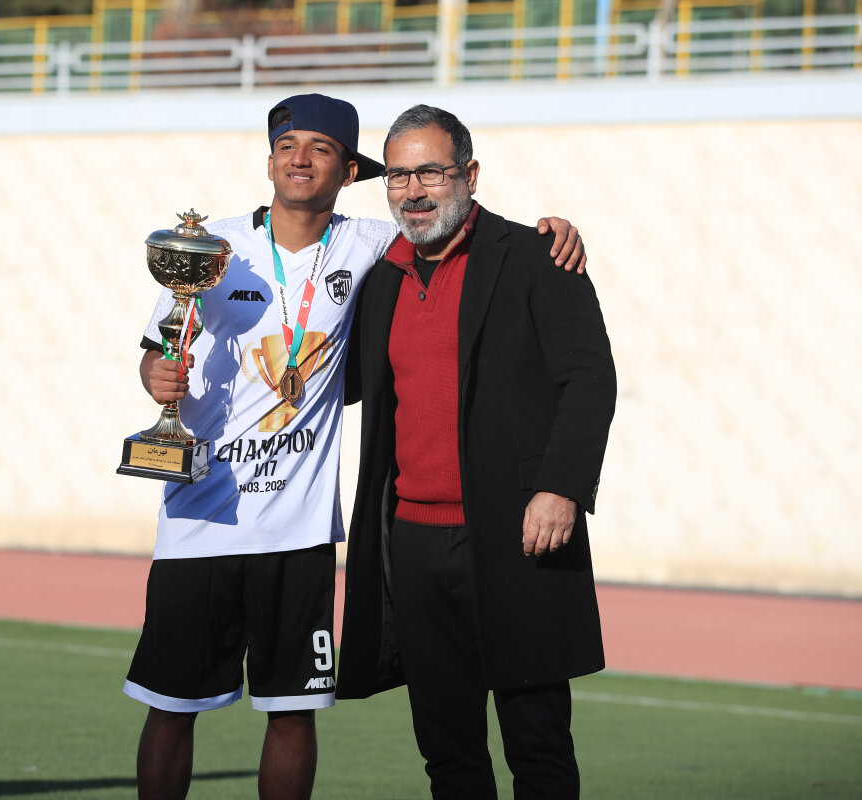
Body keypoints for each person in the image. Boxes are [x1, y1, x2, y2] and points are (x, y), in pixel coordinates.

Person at [125, 93, 585, 800]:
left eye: (321, 148)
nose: (300, 159)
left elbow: (451, 224)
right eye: (287, 146)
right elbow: (159, 348)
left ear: (348, 172)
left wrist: (549, 231)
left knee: (292, 711)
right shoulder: (209, 250)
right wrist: (156, 374)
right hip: (199, 522)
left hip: (300, 531)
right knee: (171, 706)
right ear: (269, 162)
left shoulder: (374, 244)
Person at [335, 104, 617, 800]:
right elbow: (335, 381)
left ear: (470, 174)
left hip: (518, 537)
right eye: (398, 176)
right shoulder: (380, 278)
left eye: (430, 171)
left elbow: (590, 379)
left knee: (538, 748)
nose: (413, 191)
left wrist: (561, 486)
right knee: (449, 754)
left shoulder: (538, 256)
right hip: (414, 547)